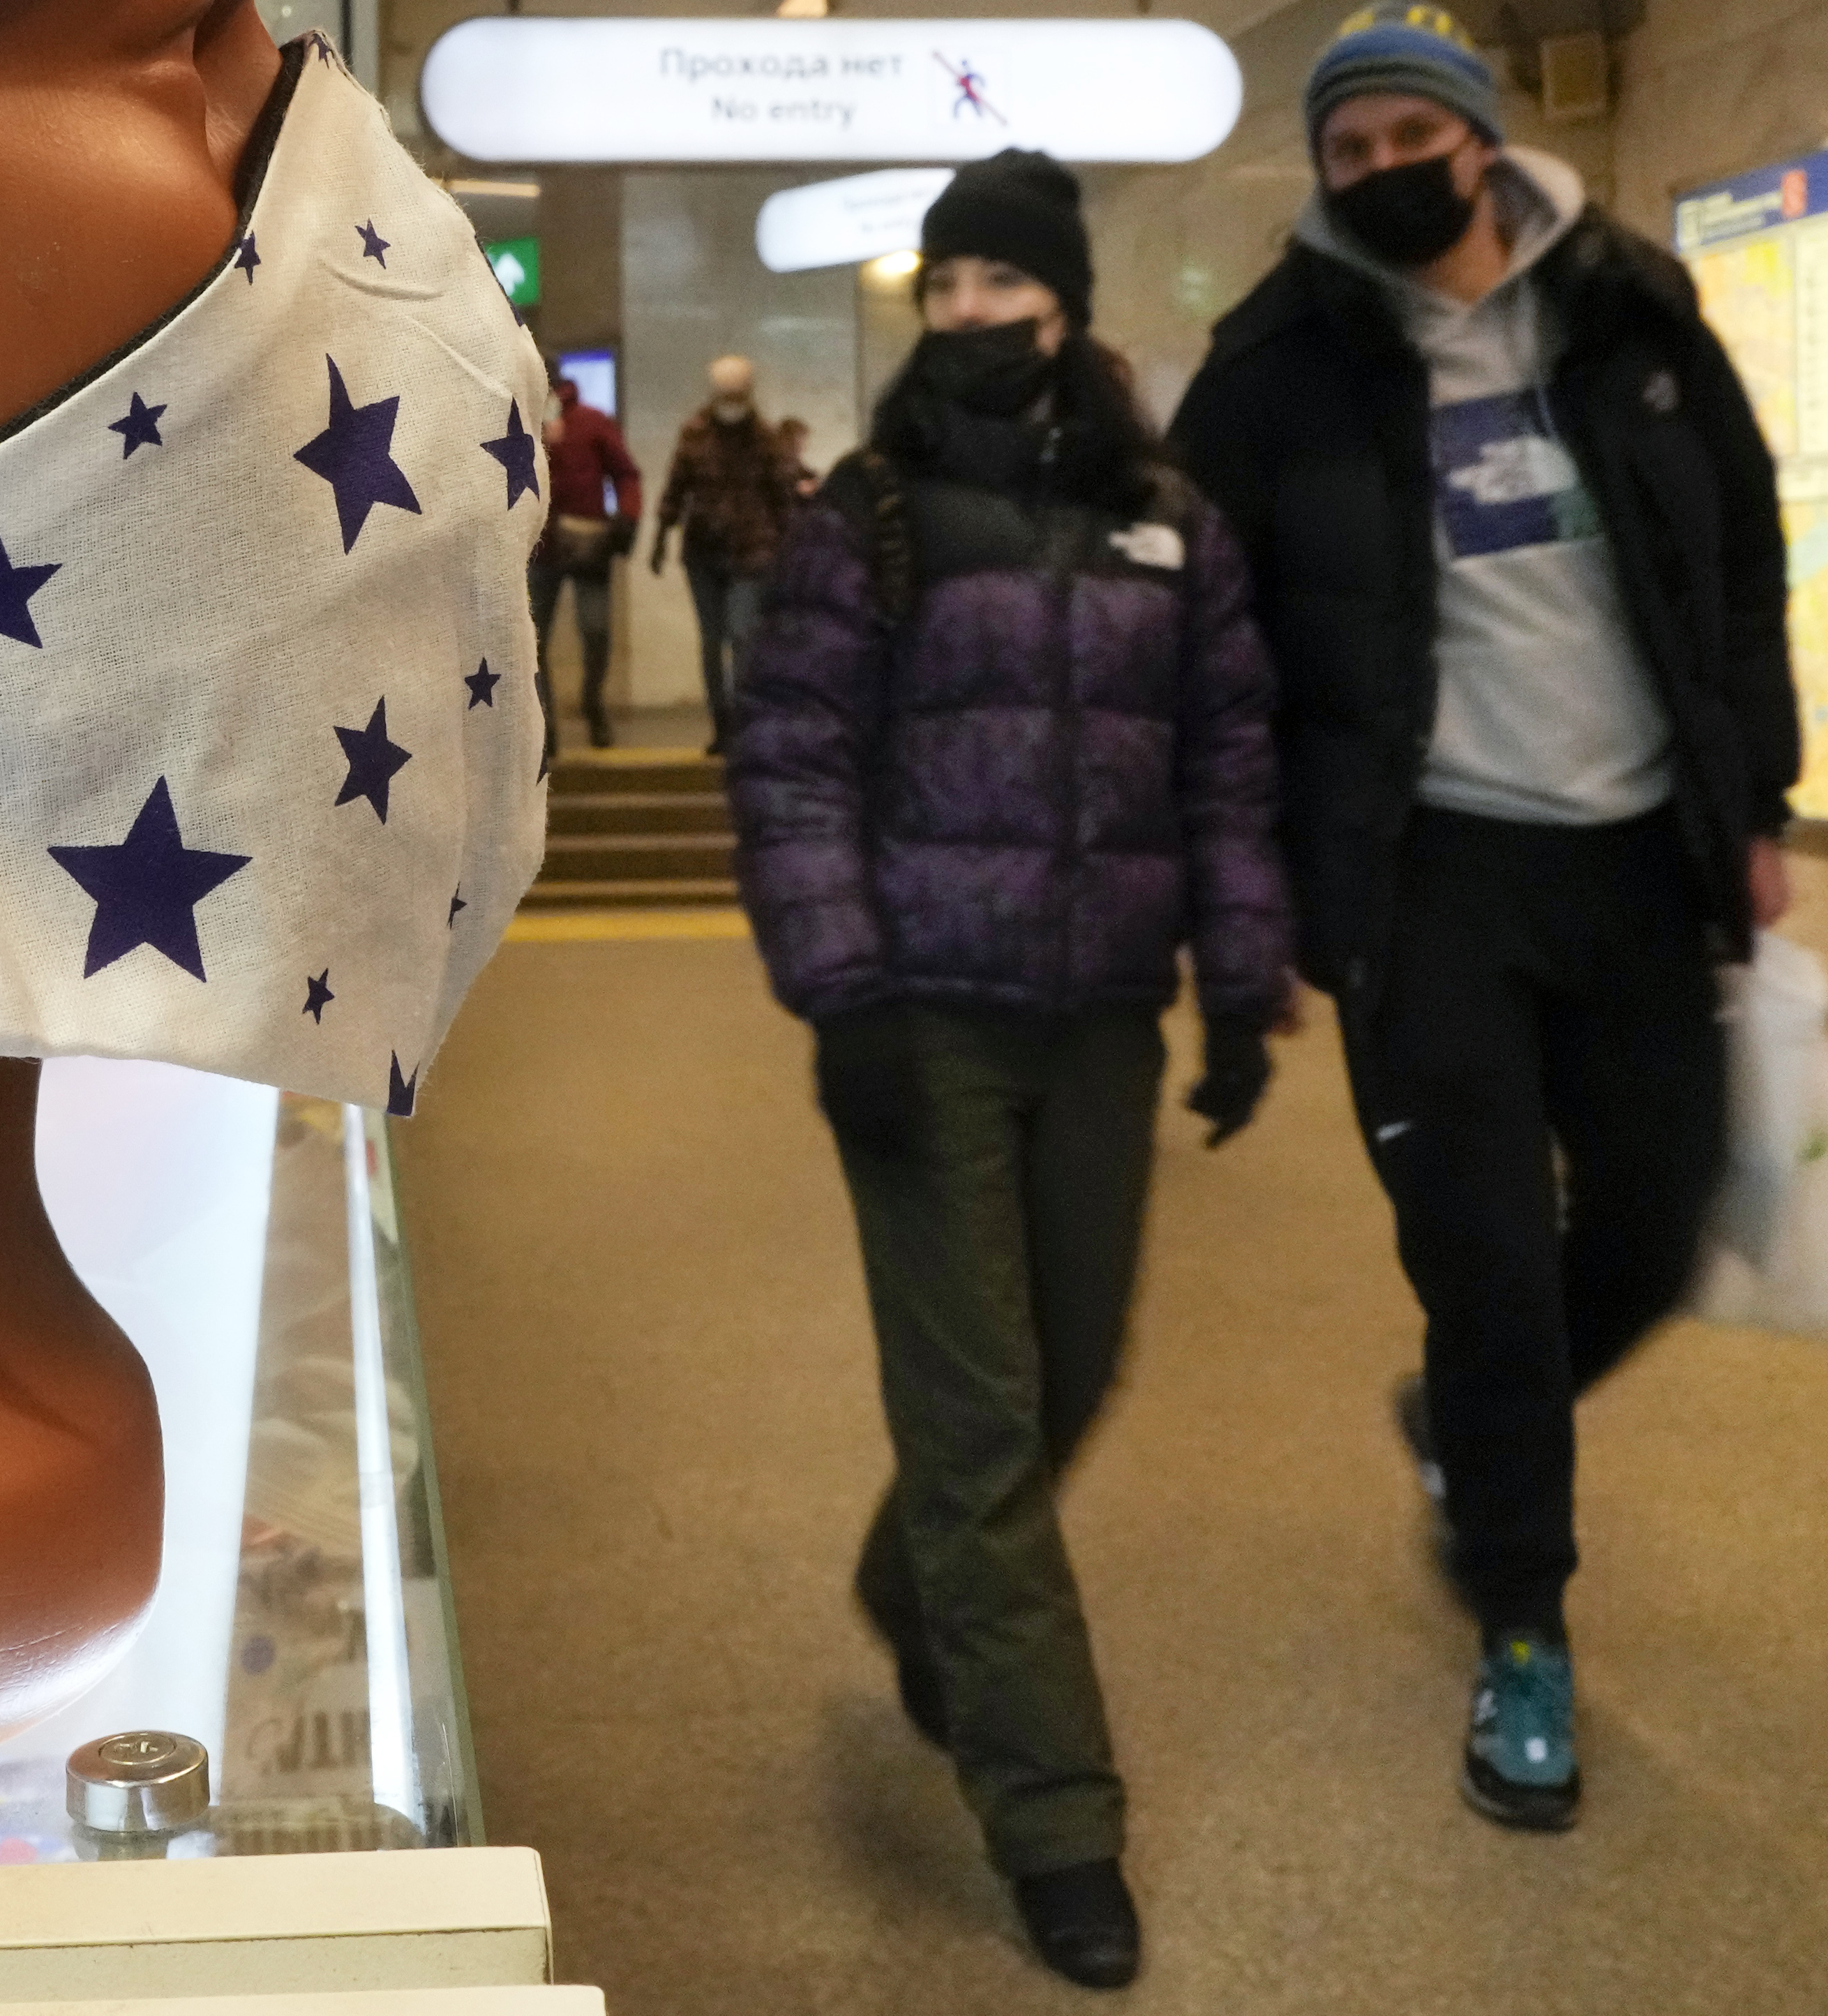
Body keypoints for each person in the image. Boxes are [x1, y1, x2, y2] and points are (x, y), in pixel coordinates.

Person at [1169, 0, 1797, 1836]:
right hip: (1425, 872)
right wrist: (1245, 893)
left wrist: (1755, 801)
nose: (1382, 170)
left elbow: (1742, 561)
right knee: (1492, 1268)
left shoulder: (1630, 310)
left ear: (1480, 139)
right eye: (1347, 150)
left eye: (1409, 137)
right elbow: (1205, 648)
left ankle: (1464, 1423)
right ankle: (1525, 1624)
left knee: (1661, 1220)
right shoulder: (1275, 366)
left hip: (1636, 854)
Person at [733, 151, 1294, 1992]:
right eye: (948, 284)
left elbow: (1225, 759)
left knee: (1074, 1368)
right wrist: (846, 995)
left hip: (1105, 1020)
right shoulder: (872, 514)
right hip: (929, 1020)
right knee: (979, 1421)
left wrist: (1240, 983)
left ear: (1069, 303)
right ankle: (1057, 1818)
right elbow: (793, 759)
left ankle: (912, 1585)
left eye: (1002, 281)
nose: (971, 312)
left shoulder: (1164, 516)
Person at [652, 351, 795, 745]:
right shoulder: (694, 435)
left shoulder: (766, 439)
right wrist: (660, 538)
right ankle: (722, 724)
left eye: (737, 396)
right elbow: (676, 487)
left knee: (743, 635)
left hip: (752, 552)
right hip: (703, 553)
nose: (732, 404)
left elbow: (783, 498)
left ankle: (742, 723)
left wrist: (790, 549)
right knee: (713, 641)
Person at [530, 373, 642, 755]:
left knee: (596, 631)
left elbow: (625, 472)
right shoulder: (520, 421)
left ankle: (593, 701)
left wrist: (628, 517)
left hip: (588, 544)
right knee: (534, 642)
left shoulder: (591, 421)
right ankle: (546, 724)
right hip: (539, 547)